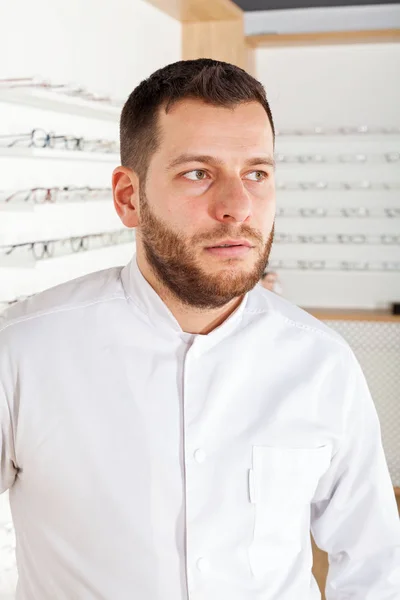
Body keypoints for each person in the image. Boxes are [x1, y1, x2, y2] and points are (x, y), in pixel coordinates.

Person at [0, 59, 399, 600]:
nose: (237, 207)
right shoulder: (22, 352)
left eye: (257, 173)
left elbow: (374, 563)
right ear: (127, 197)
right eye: (197, 173)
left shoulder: (322, 362)